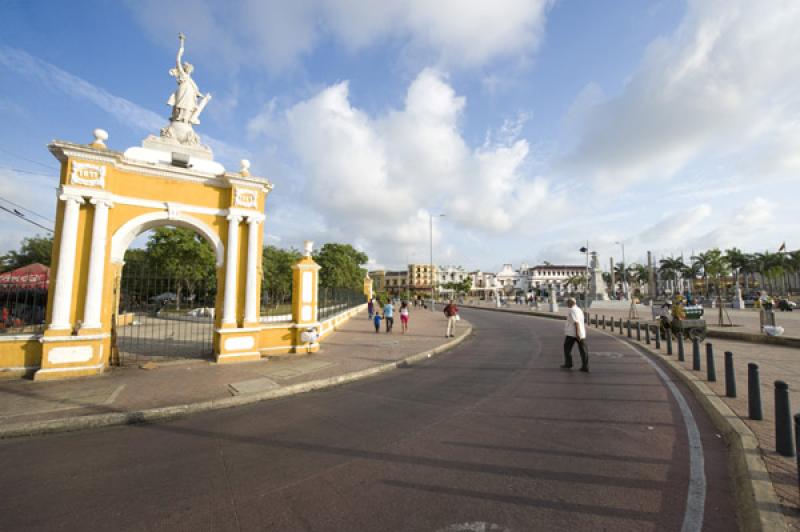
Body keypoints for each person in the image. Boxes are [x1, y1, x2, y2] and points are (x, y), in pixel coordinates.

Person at [562, 298, 589, 372]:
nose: (567, 304)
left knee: (567, 348)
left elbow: (576, 322)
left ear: (572, 302)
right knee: (583, 350)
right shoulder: (579, 309)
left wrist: (577, 334)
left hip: (573, 334)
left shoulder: (573, 310)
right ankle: (585, 366)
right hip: (580, 333)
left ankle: (569, 363)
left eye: (568, 302)